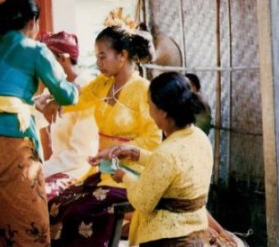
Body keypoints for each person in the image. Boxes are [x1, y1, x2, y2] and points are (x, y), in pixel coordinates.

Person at [0, 0, 78, 247]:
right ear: (32, 21)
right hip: (11, 143)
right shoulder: (35, 48)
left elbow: (1, 94)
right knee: (28, 219)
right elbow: (66, 93)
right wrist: (65, 94)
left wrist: (30, 102)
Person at [44, 25, 162, 247]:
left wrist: (118, 151)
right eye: (96, 57)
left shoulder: (143, 90)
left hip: (128, 175)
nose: (98, 63)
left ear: (122, 55)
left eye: (102, 56)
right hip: (101, 171)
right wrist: (55, 103)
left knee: (80, 212)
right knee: (57, 204)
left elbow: (153, 139)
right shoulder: (103, 84)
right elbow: (79, 99)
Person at [93, 71, 225, 246]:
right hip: (195, 227)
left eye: (150, 106)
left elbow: (143, 201)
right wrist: (136, 154)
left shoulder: (166, 152)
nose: (149, 112)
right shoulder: (198, 137)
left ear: (162, 112)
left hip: (168, 237)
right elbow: (176, 166)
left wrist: (123, 175)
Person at [35, 31, 99, 200]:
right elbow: (35, 118)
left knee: (33, 197)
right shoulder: (55, 90)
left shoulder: (87, 89)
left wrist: (42, 170)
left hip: (80, 169)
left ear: (63, 59)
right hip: (58, 167)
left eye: (46, 63)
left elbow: (82, 154)